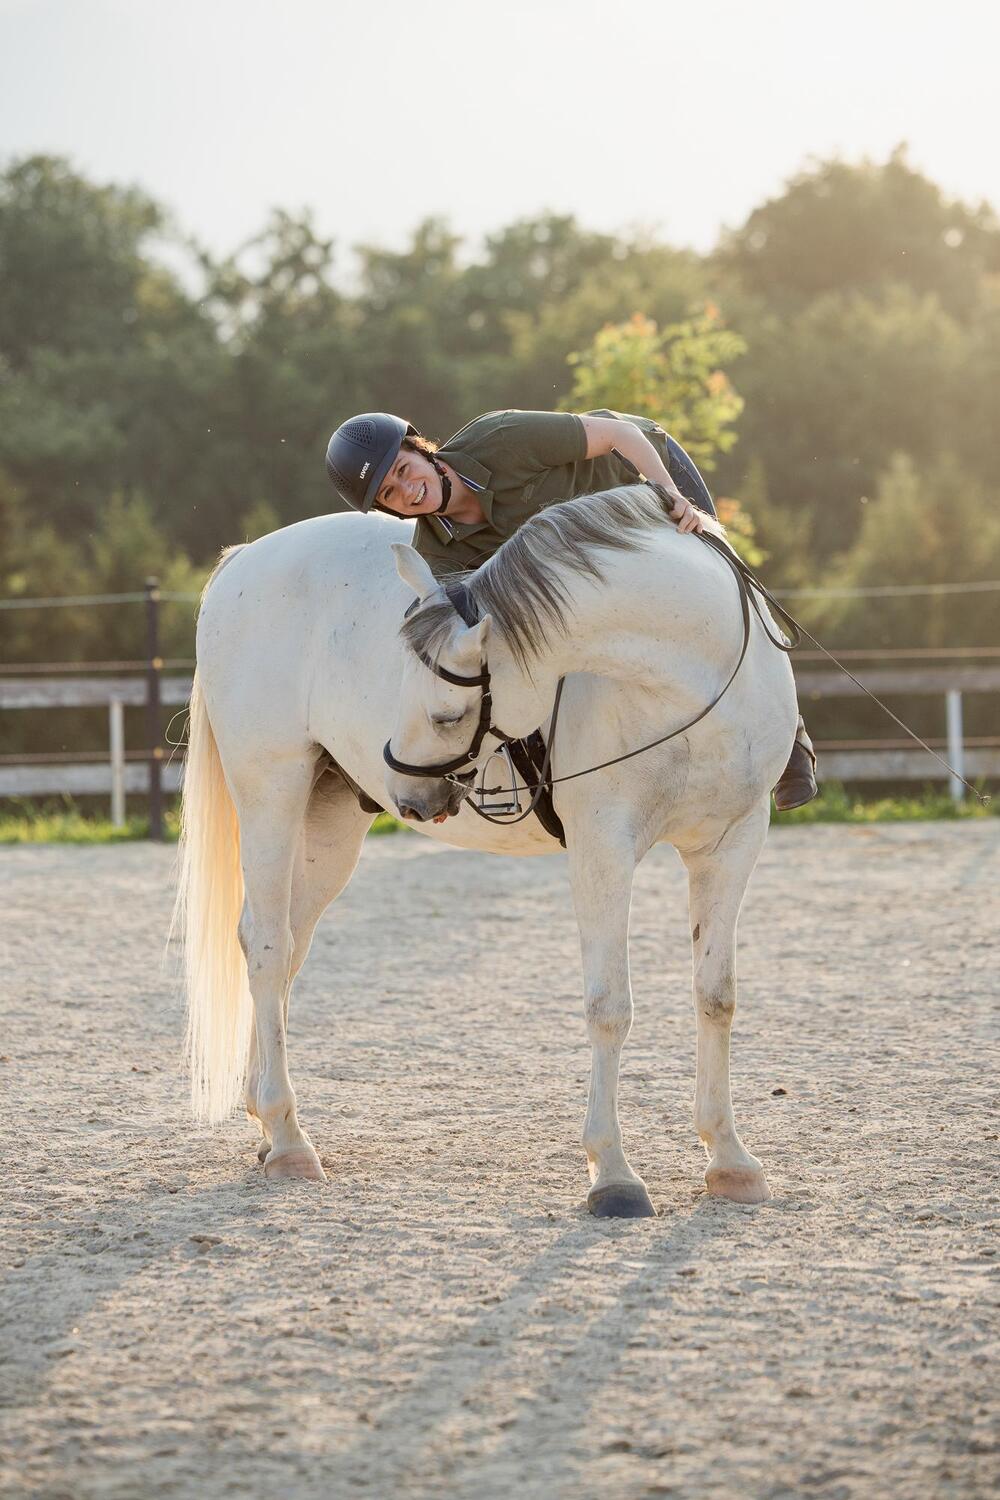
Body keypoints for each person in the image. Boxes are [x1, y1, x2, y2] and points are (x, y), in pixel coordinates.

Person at [325, 408, 817, 809]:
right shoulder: (438, 555)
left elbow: (618, 434)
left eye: (404, 470)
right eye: (391, 493)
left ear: (421, 449)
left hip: (637, 472)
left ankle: (791, 736)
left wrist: (669, 494)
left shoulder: (501, 438)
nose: (408, 490)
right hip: (589, 567)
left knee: (726, 576)